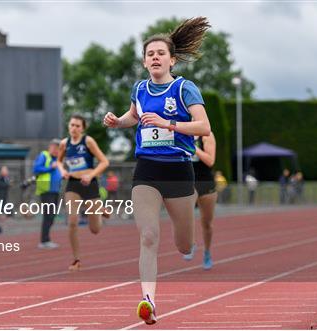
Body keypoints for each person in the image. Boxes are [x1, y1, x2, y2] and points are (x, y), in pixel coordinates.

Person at [104, 16, 211, 325]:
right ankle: (148, 300)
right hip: (147, 171)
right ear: (144, 61)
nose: (155, 57)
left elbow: (204, 127)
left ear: (172, 59)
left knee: (184, 244)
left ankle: (188, 243)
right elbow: (133, 117)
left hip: (178, 171)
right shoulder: (140, 88)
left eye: (160, 53)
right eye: (150, 53)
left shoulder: (184, 88)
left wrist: (169, 124)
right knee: (148, 236)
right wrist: (117, 122)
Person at [57, 114, 110, 271]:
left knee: (95, 230)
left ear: (82, 128)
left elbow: (104, 162)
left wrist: (91, 175)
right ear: (69, 126)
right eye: (72, 125)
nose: (74, 128)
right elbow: (59, 161)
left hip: (89, 184)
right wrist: (62, 171)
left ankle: (99, 209)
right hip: (73, 184)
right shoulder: (64, 144)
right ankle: (76, 259)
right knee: (72, 222)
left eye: (77, 126)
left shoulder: (88, 141)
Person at [183, 132, 217, 270]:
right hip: (188, 181)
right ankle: (191, 243)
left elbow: (210, 160)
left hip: (205, 182)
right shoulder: (180, 133)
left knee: (207, 223)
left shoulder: (206, 135)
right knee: (185, 213)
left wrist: (194, 147)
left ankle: (207, 252)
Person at [33, 139, 63, 249]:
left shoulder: (58, 159)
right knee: (48, 215)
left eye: (59, 148)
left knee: (52, 216)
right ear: (50, 147)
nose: (56, 150)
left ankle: (46, 239)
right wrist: (51, 167)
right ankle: (44, 240)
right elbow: (36, 168)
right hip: (46, 190)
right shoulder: (44, 156)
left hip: (55, 191)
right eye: (55, 147)